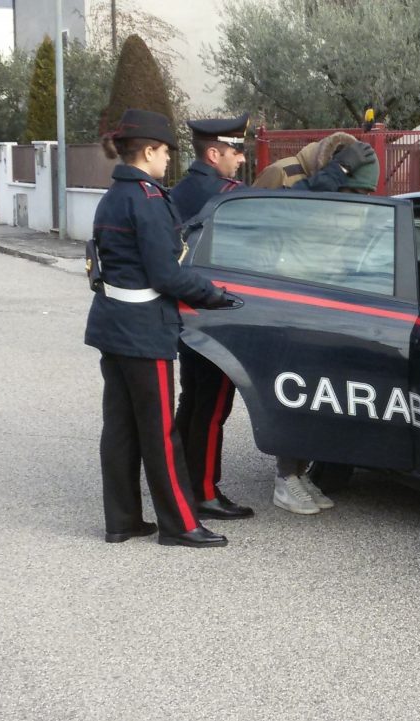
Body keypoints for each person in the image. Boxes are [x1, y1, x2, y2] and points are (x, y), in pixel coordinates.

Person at [85, 108, 236, 548]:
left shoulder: (114, 195)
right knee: (159, 432)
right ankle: (179, 525)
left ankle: (123, 520)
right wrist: (213, 293)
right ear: (148, 151)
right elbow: (165, 275)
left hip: (112, 324)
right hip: (143, 329)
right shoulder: (146, 201)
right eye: (165, 152)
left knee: (120, 427)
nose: (169, 159)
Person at [253, 133, 379, 514]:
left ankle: (299, 471)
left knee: (311, 390)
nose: (359, 205)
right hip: (278, 300)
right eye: (356, 195)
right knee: (287, 391)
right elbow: (264, 221)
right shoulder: (282, 175)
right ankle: (284, 477)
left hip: (318, 300)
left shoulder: (343, 191)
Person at [171, 114, 256, 521]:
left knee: (193, 400)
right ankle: (203, 492)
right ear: (213, 152)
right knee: (212, 406)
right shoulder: (221, 194)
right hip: (214, 312)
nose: (241, 158)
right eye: (236, 150)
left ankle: (181, 482)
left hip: (189, 311)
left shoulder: (182, 189)